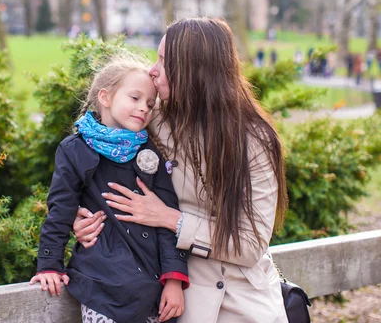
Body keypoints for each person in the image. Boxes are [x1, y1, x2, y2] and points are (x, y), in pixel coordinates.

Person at [74, 17, 289, 323]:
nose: (152, 69)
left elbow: (251, 244)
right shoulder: (153, 118)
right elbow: (92, 157)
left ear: (194, 72)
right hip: (176, 288)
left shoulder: (254, 141)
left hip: (242, 297)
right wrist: (82, 216)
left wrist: (169, 218)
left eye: (164, 61)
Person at [30, 57, 189, 323]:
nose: (144, 109)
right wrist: (49, 264)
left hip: (153, 291)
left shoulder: (150, 153)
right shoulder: (74, 150)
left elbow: (167, 219)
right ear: (105, 97)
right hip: (101, 286)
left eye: (150, 104)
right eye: (135, 98)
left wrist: (174, 280)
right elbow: (60, 210)